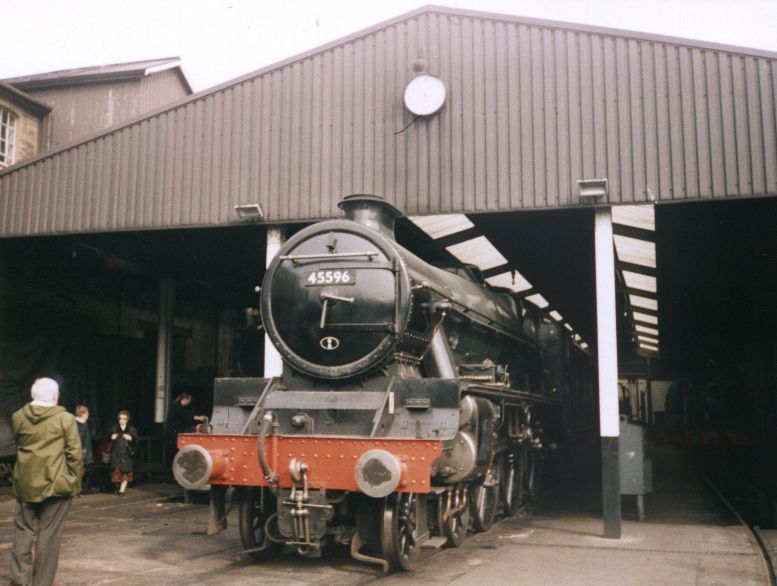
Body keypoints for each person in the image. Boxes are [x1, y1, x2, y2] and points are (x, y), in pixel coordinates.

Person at [9, 377, 83, 586]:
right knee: (49, 536)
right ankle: (43, 582)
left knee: (22, 532)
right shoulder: (66, 419)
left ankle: (19, 580)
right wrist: (74, 482)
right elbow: (75, 454)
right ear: (56, 396)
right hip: (56, 486)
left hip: (25, 482)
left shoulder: (18, 417)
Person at [165, 393, 206, 502]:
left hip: (174, 432)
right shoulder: (178, 407)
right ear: (186, 399)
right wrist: (200, 418)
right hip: (174, 433)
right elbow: (187, 416)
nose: (190, 402)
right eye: (189, 400)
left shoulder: (177, 406)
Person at [109, 410, 139, 497]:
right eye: (120, 419)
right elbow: (107, 441)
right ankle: (117, 487)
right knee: (116, 472)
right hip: (116, 453)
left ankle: (122, 490)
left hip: (126, 454)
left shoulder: (131, 429)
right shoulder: (114, 428)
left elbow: (137, 442)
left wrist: (131, 439)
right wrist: (111, 438)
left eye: (124, 419)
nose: (121, 420)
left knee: (125, 472)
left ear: (127, 420)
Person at [74, 405, 94, 494]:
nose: (88, 415)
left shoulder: (84, 424)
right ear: (82, 414)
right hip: (81, 451)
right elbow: (79, 439)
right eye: (87, 413)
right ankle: (77, 489)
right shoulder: (78, 425)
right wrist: (83, 450)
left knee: (84, 470)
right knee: (79, 470)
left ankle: (80, 488)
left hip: (85, 450)